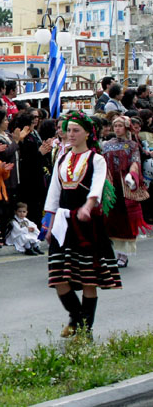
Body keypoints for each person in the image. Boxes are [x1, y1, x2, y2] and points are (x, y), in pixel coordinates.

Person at [42, 111, 122, 339]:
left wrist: (89, 205)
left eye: (76, 130)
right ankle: (76, 318)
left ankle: (85, 328)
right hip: (63, 223)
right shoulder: (62, 158)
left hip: (86, 224)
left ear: (88, 133)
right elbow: (54, 193)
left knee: (88, 279)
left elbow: (97, 185)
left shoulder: (95, 158)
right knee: (58, 277)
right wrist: (48, 223)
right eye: (68, 130)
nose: (71, 134)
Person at [101, 115, 151, 267]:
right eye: (115, 126)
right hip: (110, 183)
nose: (117, 129)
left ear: (126, 128)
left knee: (126, 219)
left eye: (120, 126)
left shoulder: (132, 145)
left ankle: (122, 255)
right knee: (109, 219)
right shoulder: (106, 144)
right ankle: (112, 253)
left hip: (125, 185)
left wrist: (132, 175)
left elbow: (135, 162)